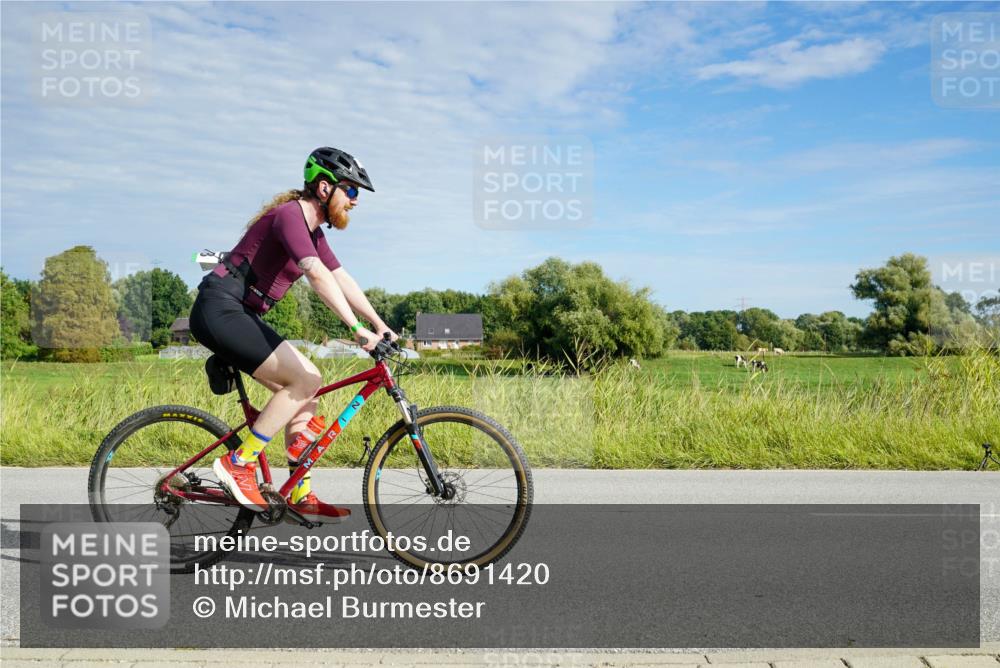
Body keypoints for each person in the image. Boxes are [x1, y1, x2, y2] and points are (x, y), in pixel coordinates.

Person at [188, 147, 398, 520]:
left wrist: (379, 324)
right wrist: (356, 329)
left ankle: (299, 491)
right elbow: (317, 275)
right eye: (350, 191)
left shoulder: (313, 233)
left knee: (308, 388)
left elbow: (340, 278)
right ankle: (240, 462)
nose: (355, 201)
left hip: (239, 314)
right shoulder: (289, 216)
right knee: (305, 379)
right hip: (219, 309)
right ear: (323, 188)